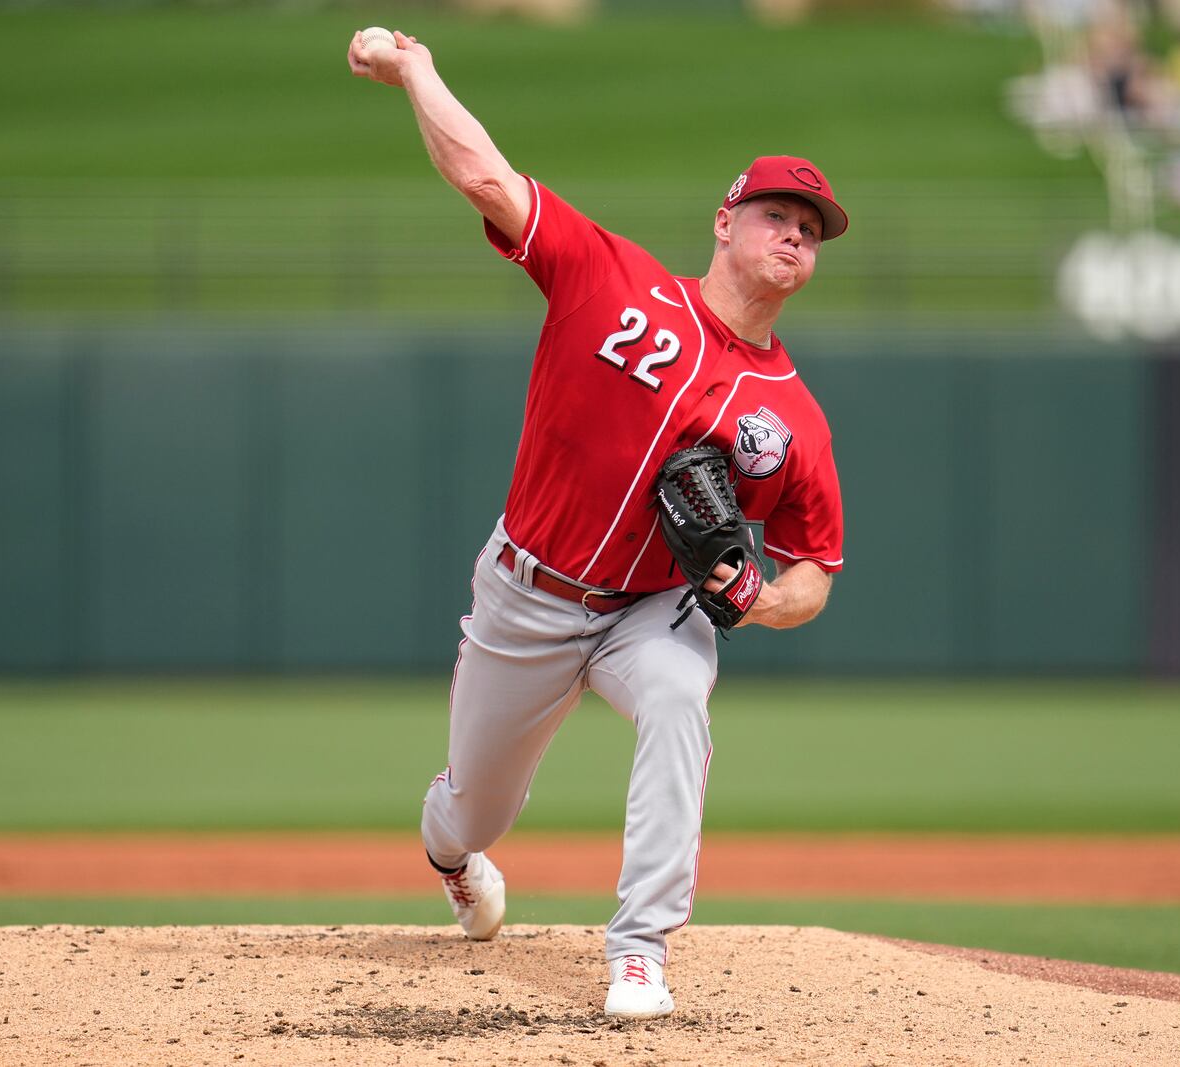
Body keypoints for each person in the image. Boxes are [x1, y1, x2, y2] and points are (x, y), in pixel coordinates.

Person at [348, 28, 847, 1020]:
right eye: (776, 214)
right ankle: (452, 857)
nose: (794, 235)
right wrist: (417, 70)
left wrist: (755, 602)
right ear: (724, 220)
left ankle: (639, 949)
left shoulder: (793, 416)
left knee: (677, 704)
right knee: (472, 808)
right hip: (526, 589)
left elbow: (814, 571)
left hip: (652, 607)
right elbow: (486, 180)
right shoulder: (613, 278)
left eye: (810, 229)